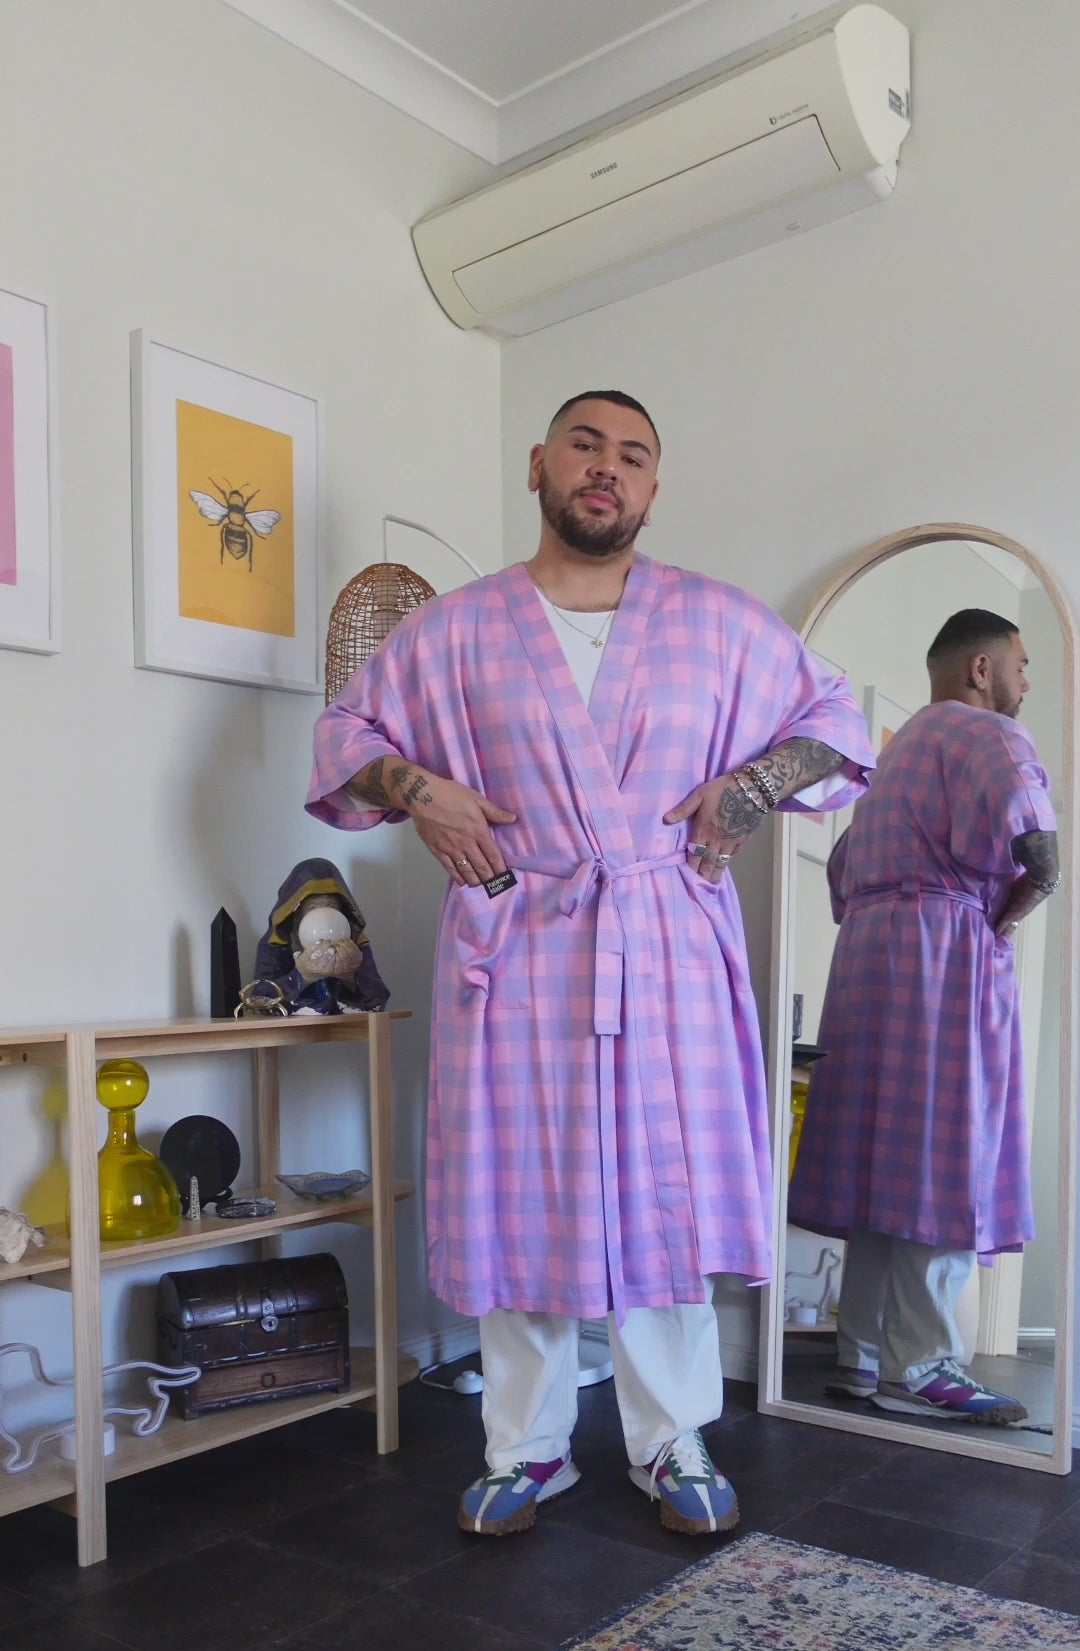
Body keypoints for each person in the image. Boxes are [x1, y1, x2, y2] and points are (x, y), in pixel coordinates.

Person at [309, 390, 872, 1536]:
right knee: (520, 1190)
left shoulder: (716, 623)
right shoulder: (455, 630)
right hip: (517, 937)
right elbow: (345, 742)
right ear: (539, 467)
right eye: (585, 446)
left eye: (633, 456)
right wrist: (421, 792)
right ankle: (527, 1449)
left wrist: (752, 785)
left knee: (660, 1190)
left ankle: (672, 1442)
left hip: (662, 933)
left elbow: (840, 724)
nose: (606, 469)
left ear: (653, 489)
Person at [789, 608, 1059, 1423]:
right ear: (982, 669)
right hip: (945, 951)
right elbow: (1041, 858)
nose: (1025, 682)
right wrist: (1003, 921)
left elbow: (840, 877)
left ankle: (861, 1355)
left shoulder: (891, 753)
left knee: (883, 1161)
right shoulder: (991, 738)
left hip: (867, 961)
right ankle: (928, 1364)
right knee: (949, 1153)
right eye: (1019, 664)